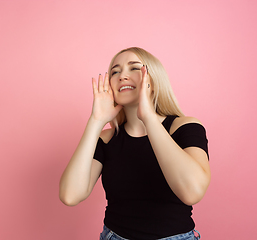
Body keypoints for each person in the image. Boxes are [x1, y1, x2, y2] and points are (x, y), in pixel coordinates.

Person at [59, 47, 210, 240]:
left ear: (153, 81)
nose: (122, 75)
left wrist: (148, 117)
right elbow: (70, 195)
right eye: (115, 71)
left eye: (134, 68)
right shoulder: (107, 139)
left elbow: (192, 192)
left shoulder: (184, 127)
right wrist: (96, 121)